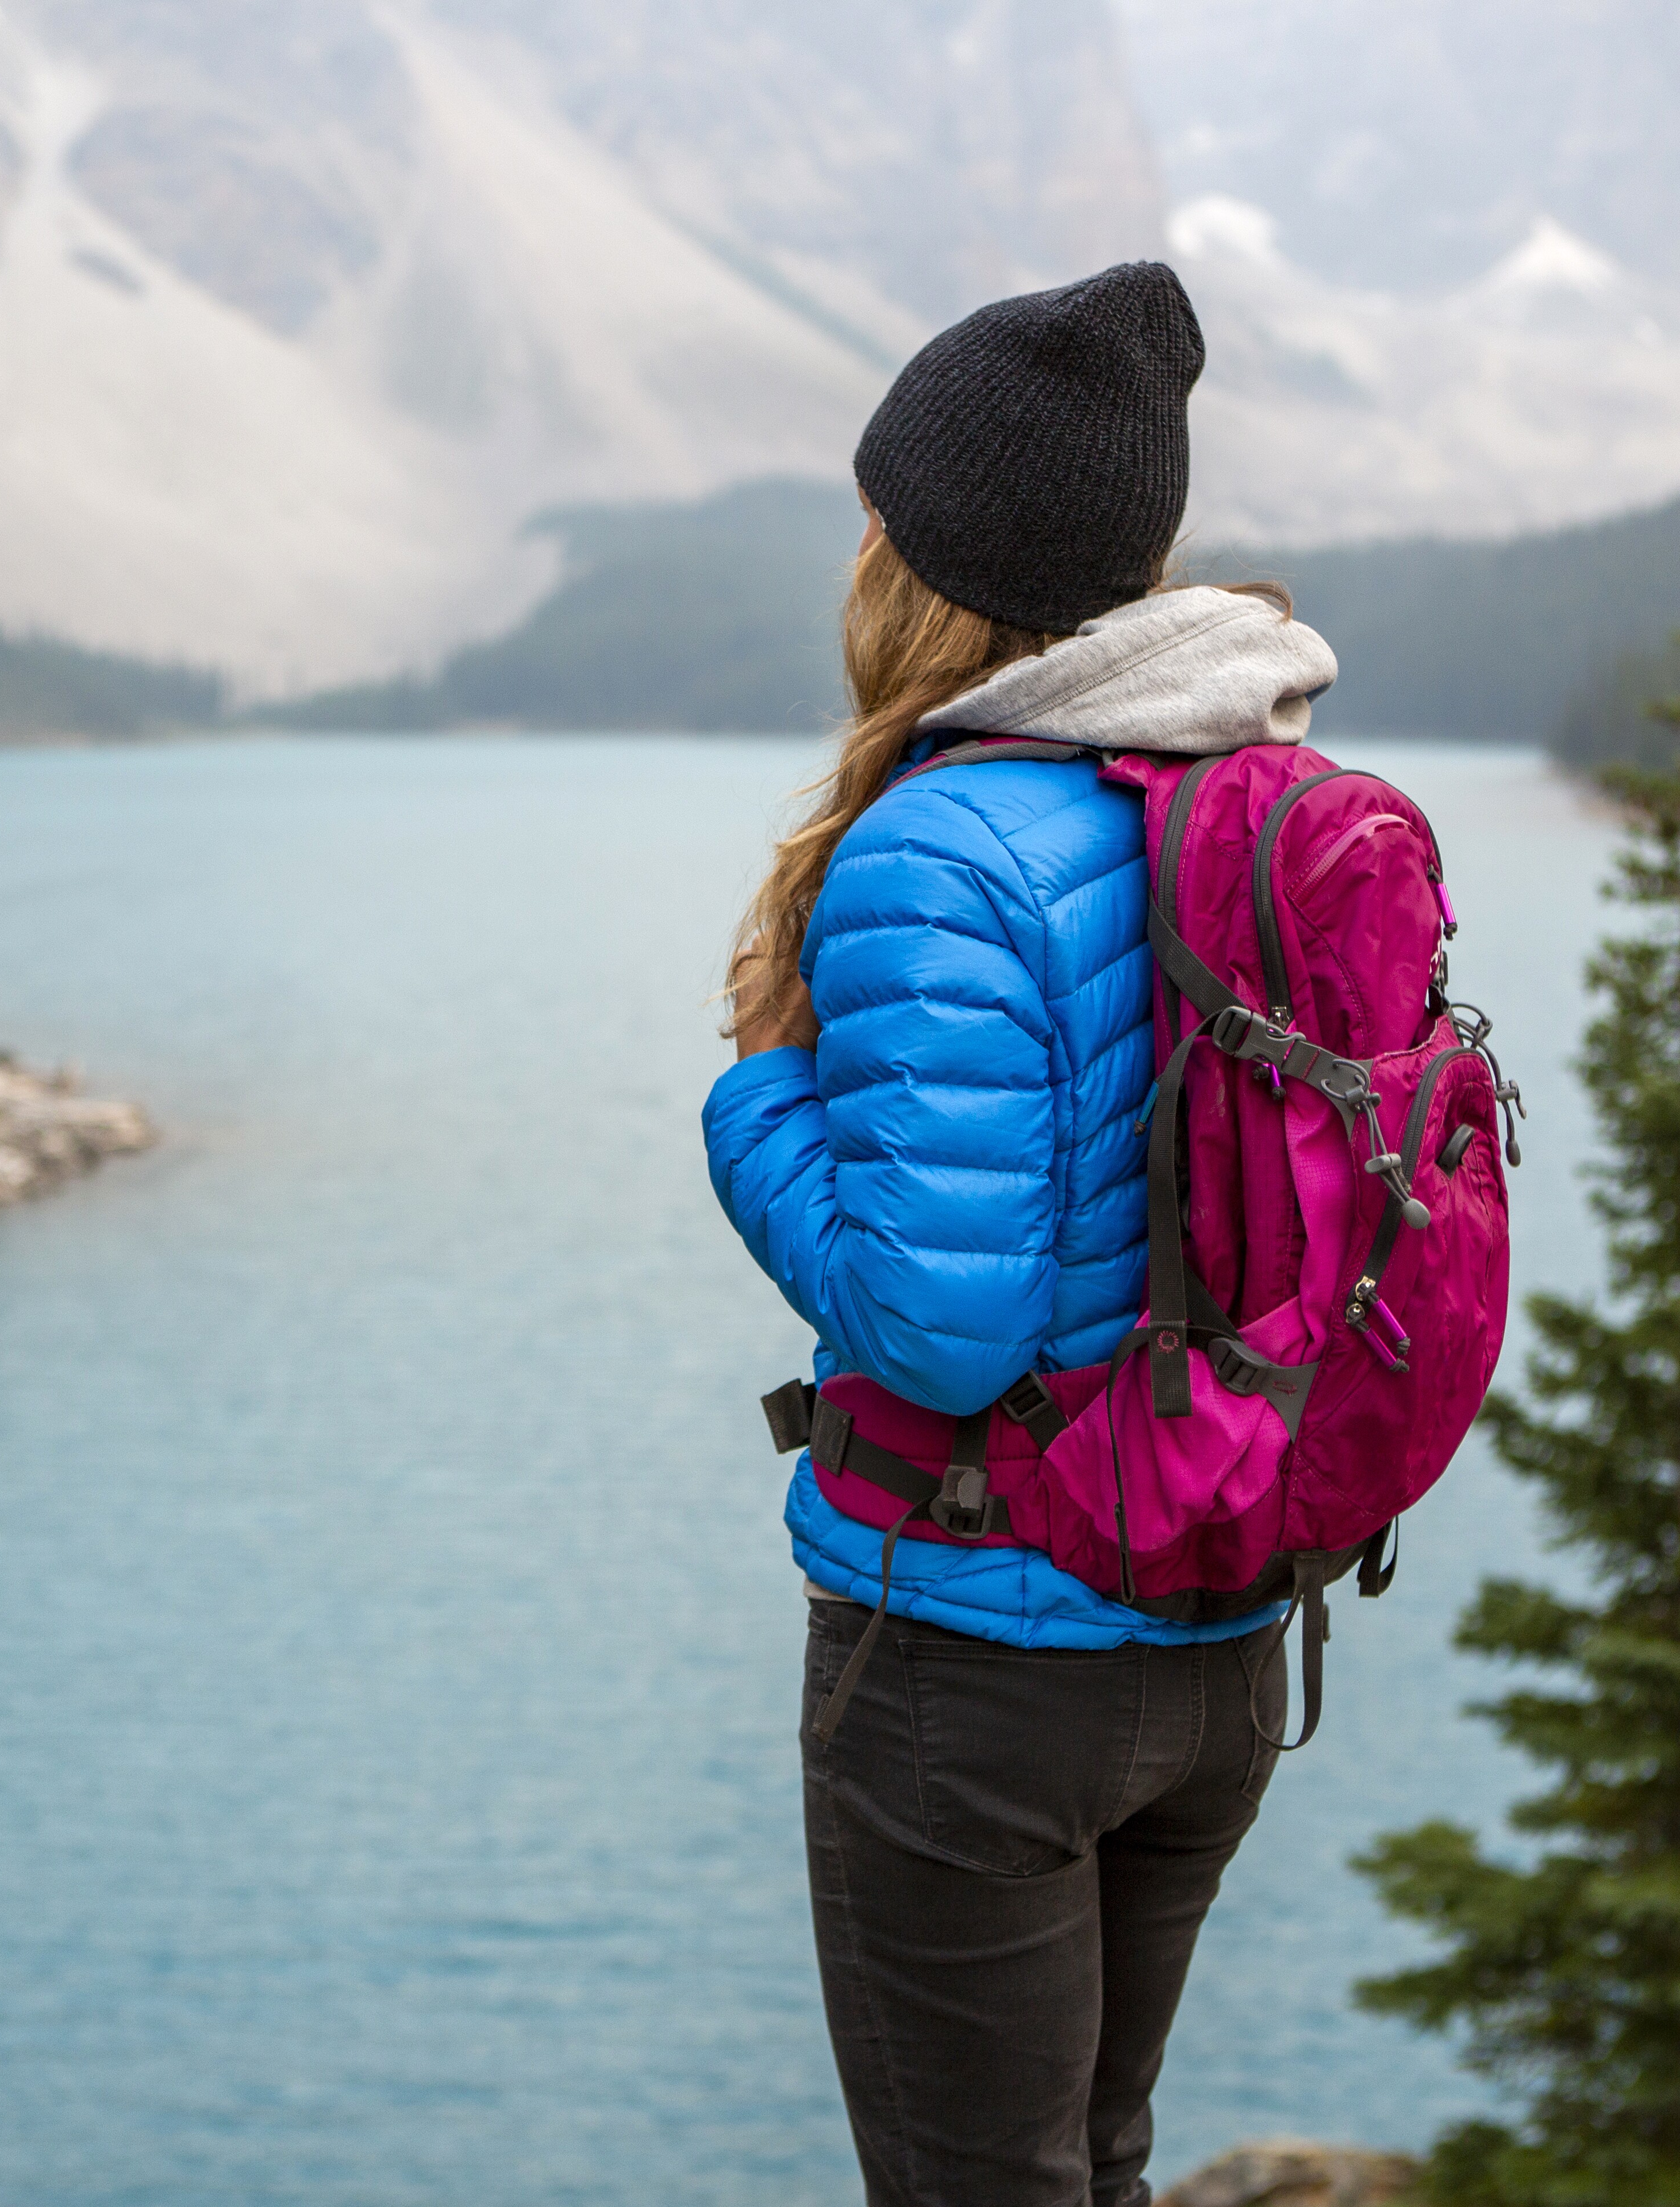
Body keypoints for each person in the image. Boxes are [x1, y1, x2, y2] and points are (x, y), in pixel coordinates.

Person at [701, 263, 1343, 2207]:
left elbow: (941, 1322)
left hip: (983, 1657)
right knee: (1097, 2163)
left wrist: (754, 1110)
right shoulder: (1254, 779)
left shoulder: (939, 844)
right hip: (1219, 1631)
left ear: (929, 558)